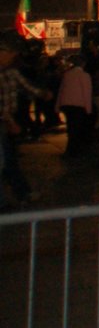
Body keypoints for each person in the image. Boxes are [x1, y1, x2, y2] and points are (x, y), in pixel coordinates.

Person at [0, 38, 45, 207]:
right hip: (5, 120)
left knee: (8, 159)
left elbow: (26, 87)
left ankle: (20, 194)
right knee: (5, 160)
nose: (13, 57)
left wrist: (42, 93)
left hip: (6, 121)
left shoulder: (10, 72)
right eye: (11, 54)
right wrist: (10, 121)